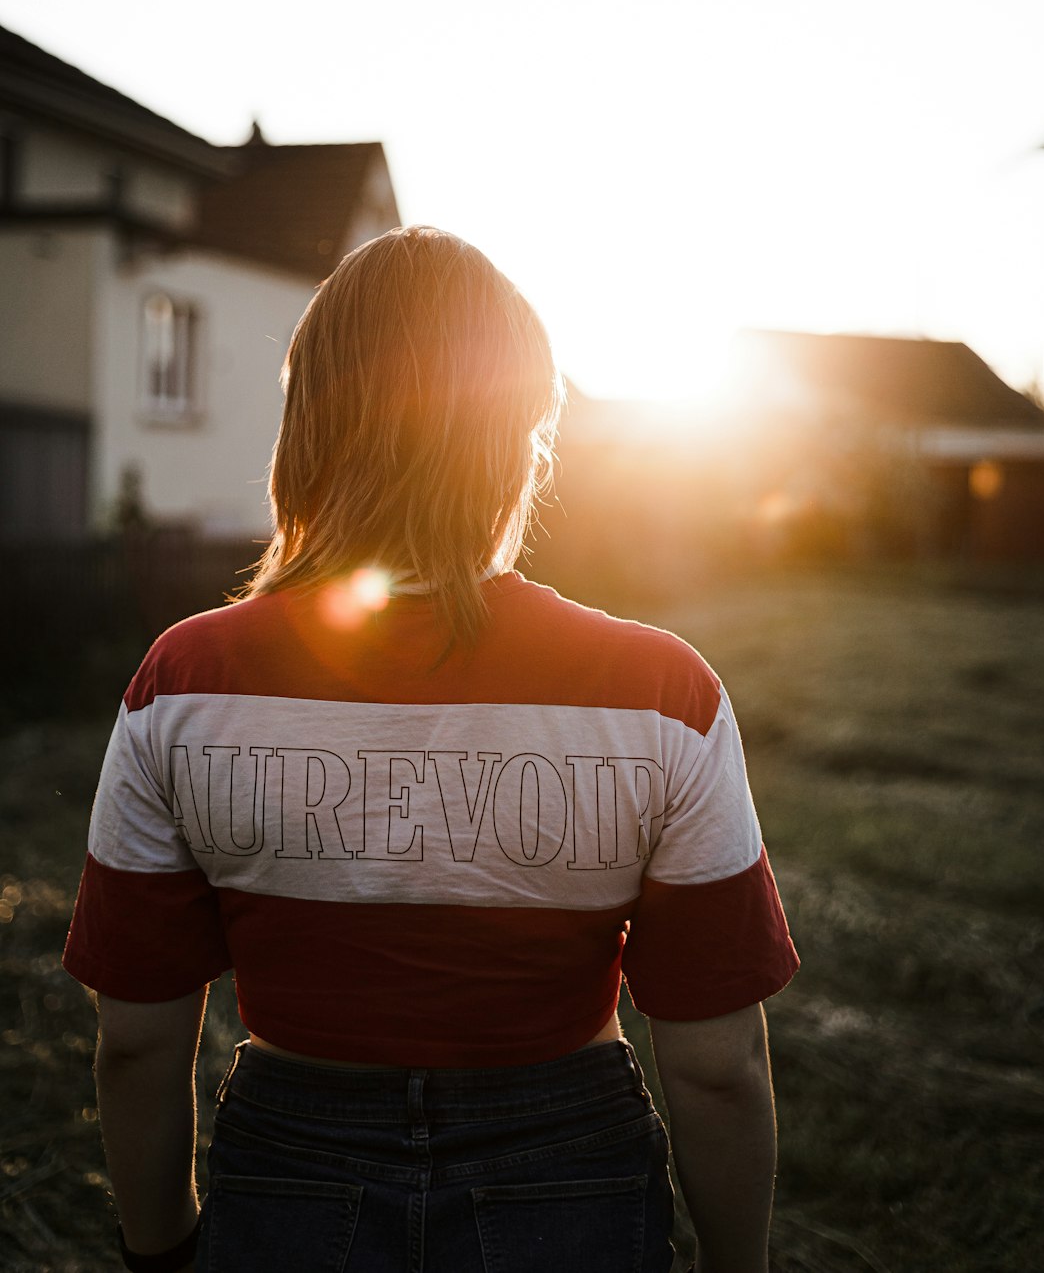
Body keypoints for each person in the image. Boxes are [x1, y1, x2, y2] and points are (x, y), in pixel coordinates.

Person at [63, 226, 798, 1273]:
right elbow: (719, 1067)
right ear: (519, 441)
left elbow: (136, 1040)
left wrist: (162, 1250)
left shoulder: (182, 683)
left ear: (307, 426)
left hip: (288, 1169)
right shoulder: (663, 692)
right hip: (569, 1170)